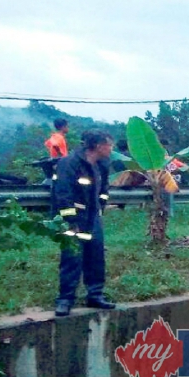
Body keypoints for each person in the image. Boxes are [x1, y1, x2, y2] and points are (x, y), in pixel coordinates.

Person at [51, 129, 116, 317]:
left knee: (96, 256)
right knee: (72, 257)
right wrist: (71, 220)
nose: (111, 149)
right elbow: (63, 194)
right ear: (98, 146)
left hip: (93, 217)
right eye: (109, 145)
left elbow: (103, 190)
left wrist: (100, 207)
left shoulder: (102, 165)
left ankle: (95, 295)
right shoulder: (69, 163)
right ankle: (65, 299)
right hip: (73, 219)